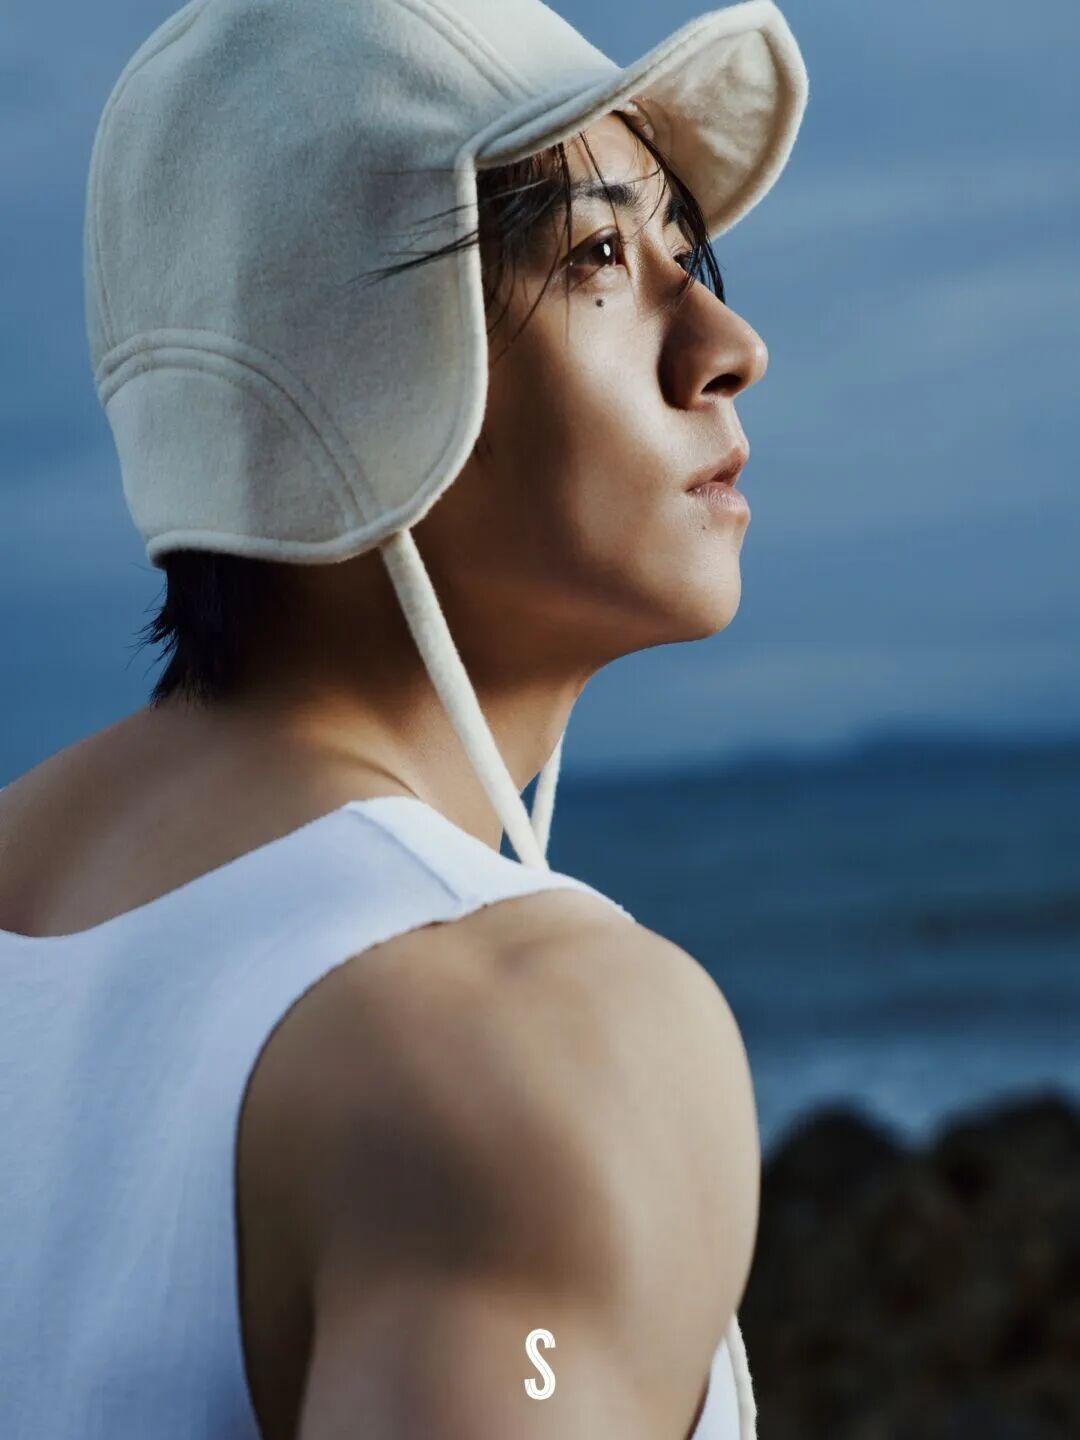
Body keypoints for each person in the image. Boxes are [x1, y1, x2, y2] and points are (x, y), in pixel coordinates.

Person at [0, 0, 808, 1436]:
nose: (727, 344)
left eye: (688, 255)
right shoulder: (527, 1047)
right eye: (598, 255)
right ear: (356, 373)